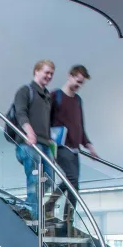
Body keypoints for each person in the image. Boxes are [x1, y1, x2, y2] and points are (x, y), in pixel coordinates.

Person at [46, 65, 100, 228]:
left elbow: (79, 125)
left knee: (74, 185)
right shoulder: (56, 96)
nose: (79, 86)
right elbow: (44, 118)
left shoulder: (77, 100)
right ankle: (60, 214)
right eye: (77, 81)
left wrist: (89, 145)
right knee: (72, 180)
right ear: (70, 76)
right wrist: (47, 138)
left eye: (81, 83)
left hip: (75, 149)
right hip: (61, 146)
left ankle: (62, 215)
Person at [10, 60, 57, 222]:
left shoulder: (47, 97)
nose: (49, 76)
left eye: (51, 73)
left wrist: (49, 137)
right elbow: (20, 113)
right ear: (36, 71)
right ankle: (35, 220)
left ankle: (27, 208)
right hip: (28, 144)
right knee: (35, 180)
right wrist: (29, 133)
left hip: (44, 145)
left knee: (49, 180)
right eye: (46, 72)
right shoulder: (25, 91)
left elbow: (45, 121)